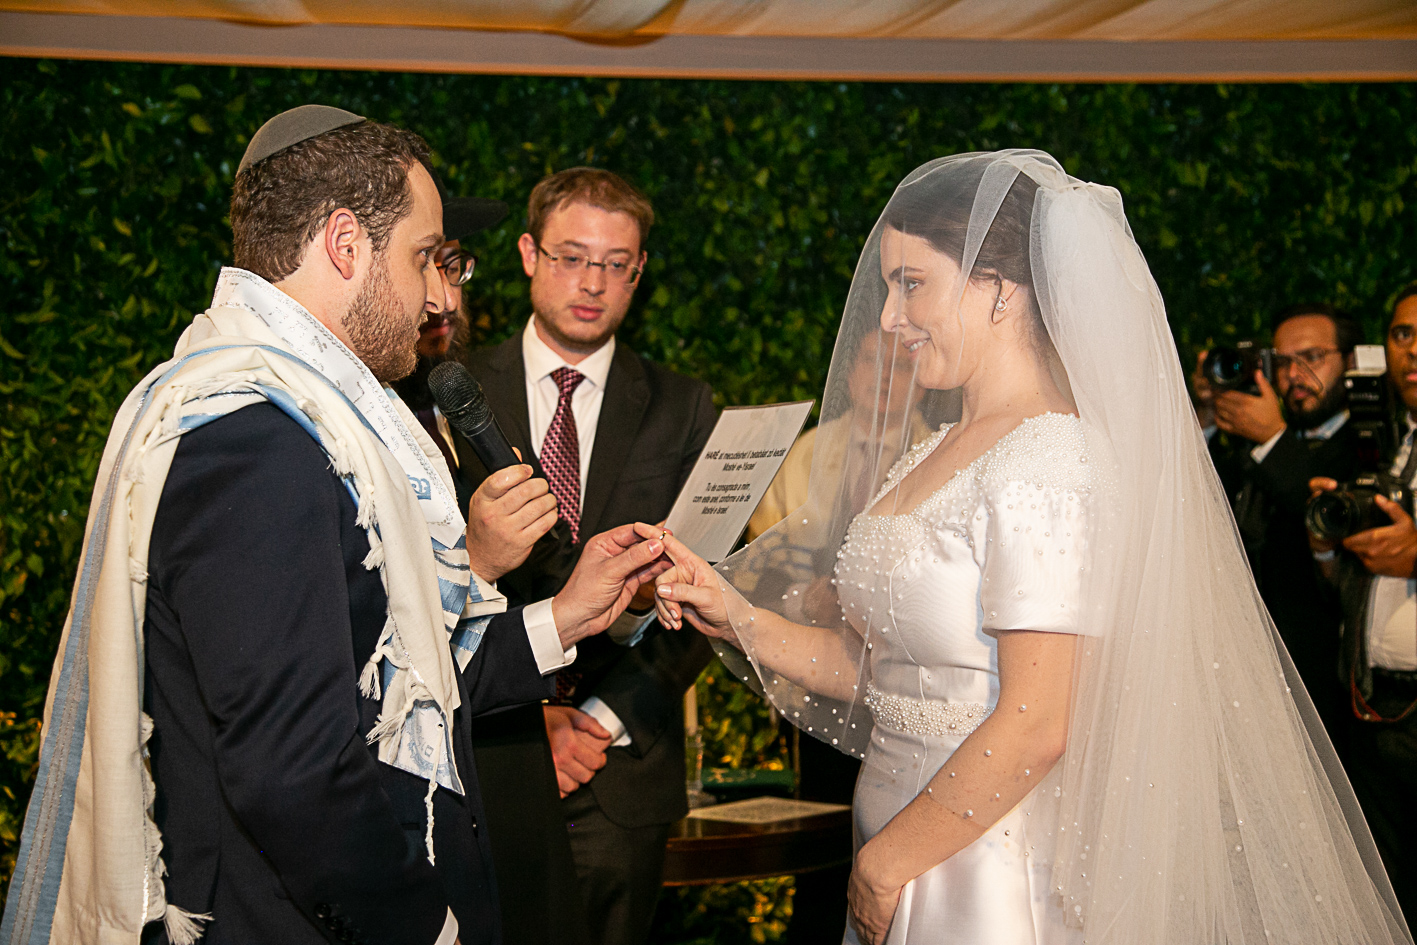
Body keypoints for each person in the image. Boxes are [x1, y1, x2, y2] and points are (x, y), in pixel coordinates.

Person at [645, 151, 1409, 945]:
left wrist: (884, 863)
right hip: (903, 832)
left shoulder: (1050, 459)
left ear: (998, 288)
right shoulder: (932, 449)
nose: (889, 318)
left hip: (991, 861)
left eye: (911, 284)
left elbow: (1039, 719)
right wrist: (733, 613)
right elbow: (875, 668)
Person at [0, 106, 669, 945]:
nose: (437, 294)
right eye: (422, 257)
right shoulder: (253, 438)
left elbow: (387, 677)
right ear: (346, 244)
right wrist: (425, 927)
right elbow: (295, 773)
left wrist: (566, 614)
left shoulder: (316, 420)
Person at [450, 168, 716, 945]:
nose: (592, 282)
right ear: (528, 254)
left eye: (615, 263)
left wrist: (595, 723)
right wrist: (532, 719)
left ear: (638, 270)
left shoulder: (683, 406)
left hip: (618, 770)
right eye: (571, 257)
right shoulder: (450, 394)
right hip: (486, 754)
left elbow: (708, 592)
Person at [1191, 304, 1362, 743]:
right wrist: (1207, 419)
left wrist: (1272, 438)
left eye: (1312, 357)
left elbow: (1333, 521)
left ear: (1350, 361)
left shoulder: (1370, 442)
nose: (1294, 375)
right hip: (1243, 677)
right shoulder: (1251, 447)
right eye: (1282, 362)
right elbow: (1195, 503)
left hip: (1328, 689)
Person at [1311, 282, 1417, 926]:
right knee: (1387, 902)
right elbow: (1362, 583)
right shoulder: (1390, 446)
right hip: (1375, 707)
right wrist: (1328, 549)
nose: (1414, 350)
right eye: (1402, 334)